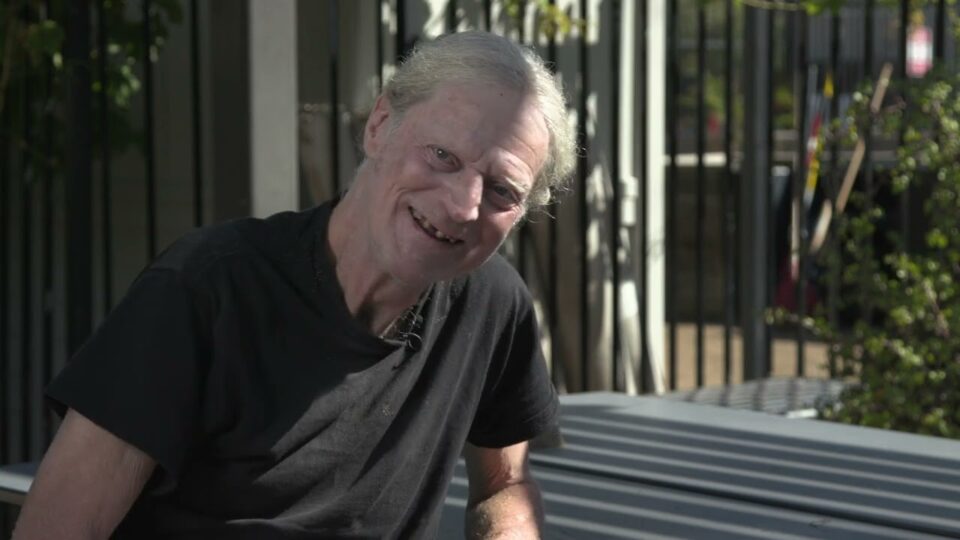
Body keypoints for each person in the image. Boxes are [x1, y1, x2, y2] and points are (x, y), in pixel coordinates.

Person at [13, 30, 576, 539]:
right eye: (442, 155)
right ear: (379, 126)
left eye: (502, 189)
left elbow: (506, 485)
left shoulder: (490, 302)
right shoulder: (206, 288)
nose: (462, 205)